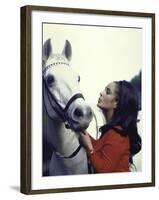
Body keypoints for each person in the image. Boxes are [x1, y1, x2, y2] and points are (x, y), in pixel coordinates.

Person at [80, 80, 141, 173]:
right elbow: (100, 147)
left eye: (107, 92)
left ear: (116, 102)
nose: (101, 93)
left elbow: (104, 170)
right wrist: (81, 131)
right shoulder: (113, 131)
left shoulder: (117, 135)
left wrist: (89, 148)